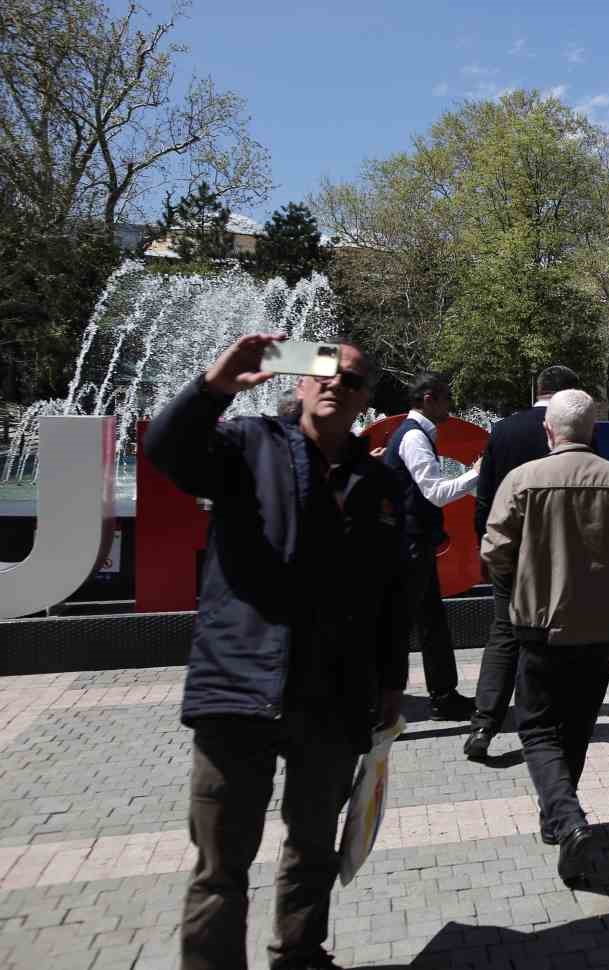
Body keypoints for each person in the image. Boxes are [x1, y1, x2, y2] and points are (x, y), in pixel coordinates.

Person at [147, 334, 409, 970]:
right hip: (239, 688)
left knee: (313, 845)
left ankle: (299, 953)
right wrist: (214, 386)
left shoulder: (376, 482)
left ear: (365, 400)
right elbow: (166, 452)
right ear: (298, 382)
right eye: (322, 373)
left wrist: (390, 685)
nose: (333, 385)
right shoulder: (246, 446)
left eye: (350, 381)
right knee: (221, 863)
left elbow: (392, 592)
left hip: (333, 697)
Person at [481, 389, 609, 887]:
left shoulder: (523, 480)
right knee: (577, 722)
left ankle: (565, 818)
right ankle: (559, 817)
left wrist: (527, 574)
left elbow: (494, 550)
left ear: (548, 431)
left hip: (538, 622)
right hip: (603, 624)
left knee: (537, 727)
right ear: (594, 432)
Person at [464, 365, 583, 762]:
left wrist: (489, 545)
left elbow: (485, 496)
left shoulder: (503, 431)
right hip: (558, 554)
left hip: (512, 550)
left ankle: (483, 724)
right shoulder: (578, 432)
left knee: (504, 633)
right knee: (555, 634)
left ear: (538, 389)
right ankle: (546, 721)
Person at [383, 373, 478, 720]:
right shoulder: (413, 438)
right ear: (428, 399)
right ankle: (394, 700)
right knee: (411, 625)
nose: (450, 404)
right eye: (446, 398)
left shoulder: (415, 435)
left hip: (414, 543)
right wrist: (478, 473)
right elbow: (435, 493)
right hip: (408, 545)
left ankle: (444, 696)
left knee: (430, 622)